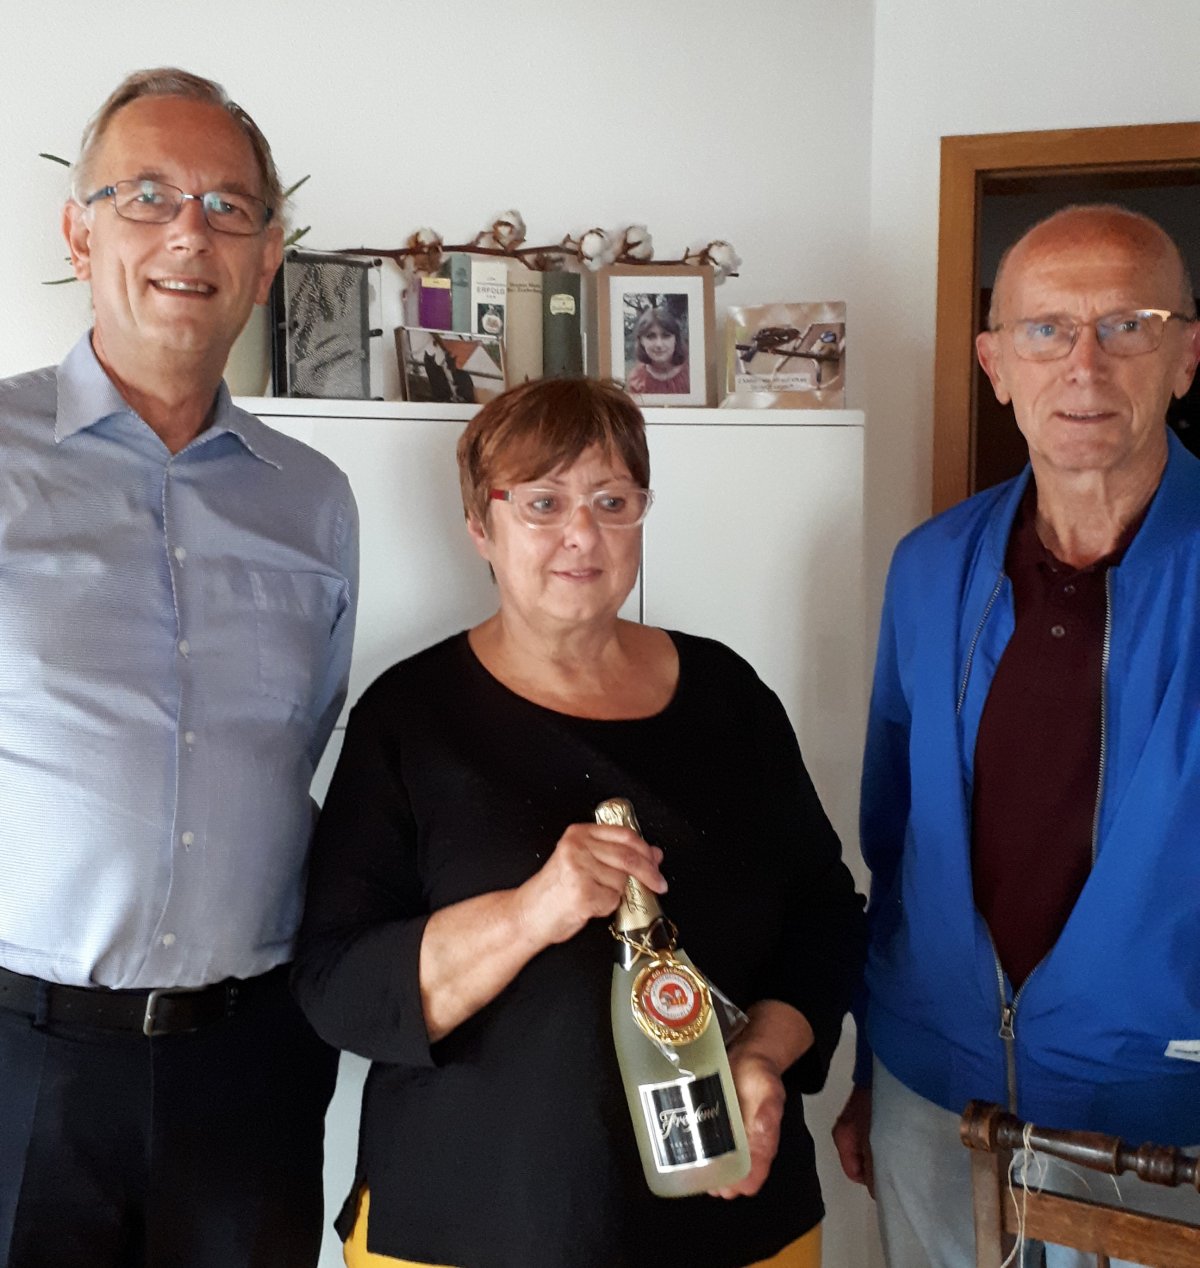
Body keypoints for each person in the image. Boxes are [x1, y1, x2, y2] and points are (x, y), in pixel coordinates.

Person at [292, 377, 866, 1268]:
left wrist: (760, 1055)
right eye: (543, 502)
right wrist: (532, 912)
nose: (582, 534)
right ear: (480, 525)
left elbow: (824, 916)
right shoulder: (409, 717)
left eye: (612, 501)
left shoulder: (729, 696)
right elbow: (339, 985)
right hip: (472, 1225)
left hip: (733, 1214)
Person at [0, 68, 358, 1268]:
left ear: (266, 259)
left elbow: (301, 734)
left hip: (248, 1062)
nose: (189, 233)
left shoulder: (314, 502)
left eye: (228, 206)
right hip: (22, 1056)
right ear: (79, 231)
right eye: (147, 195)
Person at [832, 205, 1200, 1268]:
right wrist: (873, 1064)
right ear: (995, 365)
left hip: (1163, 1119)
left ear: (1186, 355)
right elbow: (895, 841)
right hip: (934, 1095)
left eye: (1127, 325)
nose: (1084, 364)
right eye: (1046, 329)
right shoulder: (929, 566)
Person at [625, 303, 690, 395]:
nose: (659, 344)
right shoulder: (636, 381)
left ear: (676, 339)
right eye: (651, 336)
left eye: (666, 336)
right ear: (641, 341)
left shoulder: (692, 373)